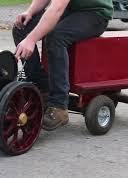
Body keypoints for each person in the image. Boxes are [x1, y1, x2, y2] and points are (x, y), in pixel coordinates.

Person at [13, 0, 113, 130]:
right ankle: (42, 87)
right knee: (21, 27)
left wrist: (31, 39)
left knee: (56, 37)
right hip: (70, 10)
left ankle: (59, 106)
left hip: (95, 14)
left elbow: (57, 9)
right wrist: (30, 12)